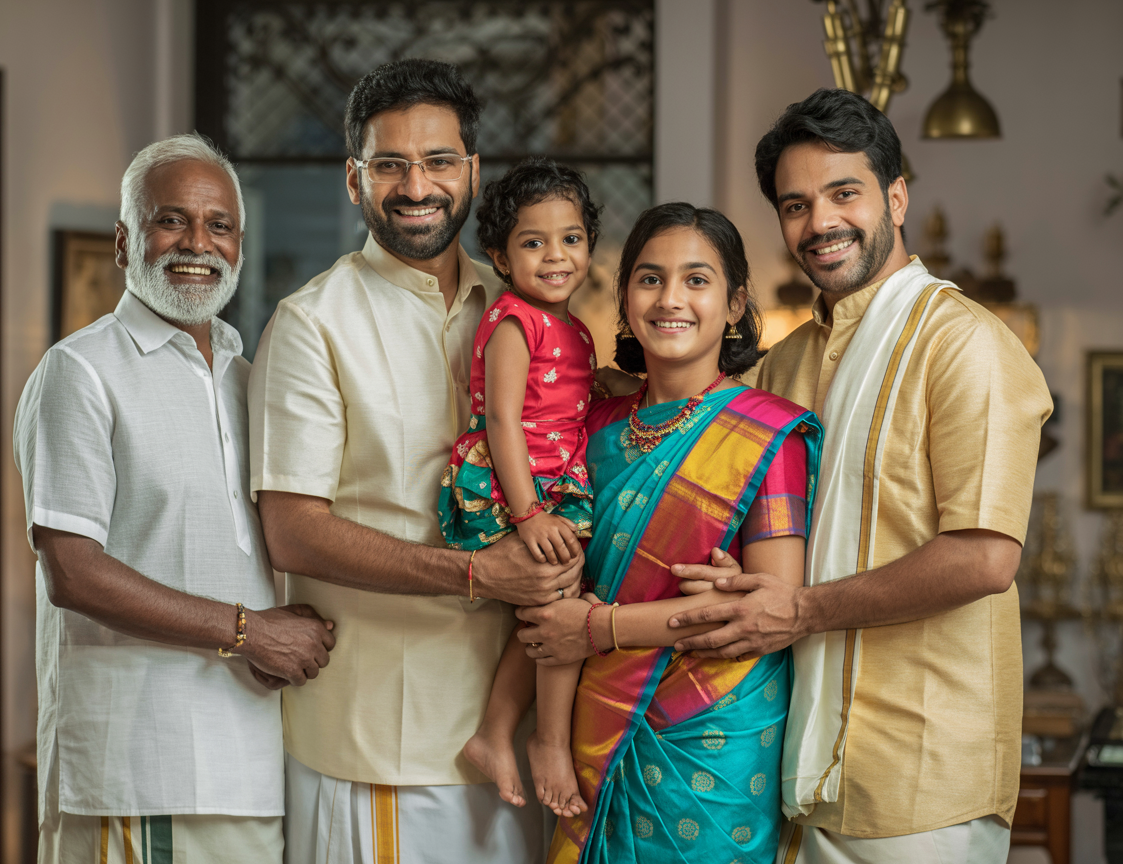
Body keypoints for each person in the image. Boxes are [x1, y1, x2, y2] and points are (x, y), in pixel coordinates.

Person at [666, 89, 1053, 863]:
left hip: (921, 776)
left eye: (845, 194)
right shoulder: (787, 361)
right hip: (795, 766)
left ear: (897, 195)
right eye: (796, 205)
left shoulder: (965, 345)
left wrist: (803, 611)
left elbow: (984, 557)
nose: (820, 224)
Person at [248, 60, 583, 863]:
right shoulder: (311, 325)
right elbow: (292, 533)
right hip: (380, 749)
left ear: (471, 170)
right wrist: (476, 574)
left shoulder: (522, 308)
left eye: (437, 161)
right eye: (388, 164)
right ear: (354, 181)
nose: (415, 185)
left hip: (514, 739)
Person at [14, 134, 336, 864]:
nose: (197, 242)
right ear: (125, 242)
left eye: (218, 224)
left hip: (251, 760)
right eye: (171, 220)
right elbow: (72, 571)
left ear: (241, 245)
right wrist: (253, 632)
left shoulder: (247, 377)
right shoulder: (81, 373)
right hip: (137, 767)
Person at [518, 203, 822, 864]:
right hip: (591, 723)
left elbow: (766, 606)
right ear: (625, 301)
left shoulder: (769, 436)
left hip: (714, 732)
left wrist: (601, 629)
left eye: (697, 280)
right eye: (650, 279)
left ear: (736, 303)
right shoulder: (590, 428)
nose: (670, 299)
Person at [441, 157, 599, 819]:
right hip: (515, 486)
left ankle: (496, 732)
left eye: (571, 238)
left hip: (554, 480)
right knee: (562, 608)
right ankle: (544, 740)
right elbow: (502, 418)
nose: (555, 255)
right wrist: (528, 514)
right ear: (500, 258)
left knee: (551, 610)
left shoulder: (573, 326)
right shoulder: (515, 321)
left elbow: (572, 395)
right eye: (533, 243)